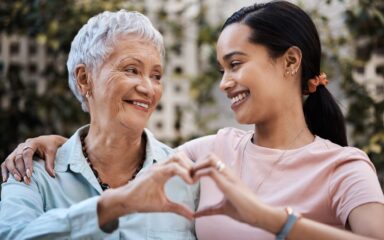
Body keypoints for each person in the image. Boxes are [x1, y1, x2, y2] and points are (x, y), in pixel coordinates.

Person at [2, 1, 384, 239]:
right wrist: (52, 143)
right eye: (222, 68)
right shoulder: (206, 155)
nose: (224, 82)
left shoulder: (342, 167)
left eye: (235, 64)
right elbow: (113, 147)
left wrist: (270, 220)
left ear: (290, 62)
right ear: (85, 79)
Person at [0, 10, 198, 239]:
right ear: (84, 78)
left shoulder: (186, 178)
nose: (148, 88)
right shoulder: (30, 173)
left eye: (156, 75)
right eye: (131, 70)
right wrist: (112, 207)